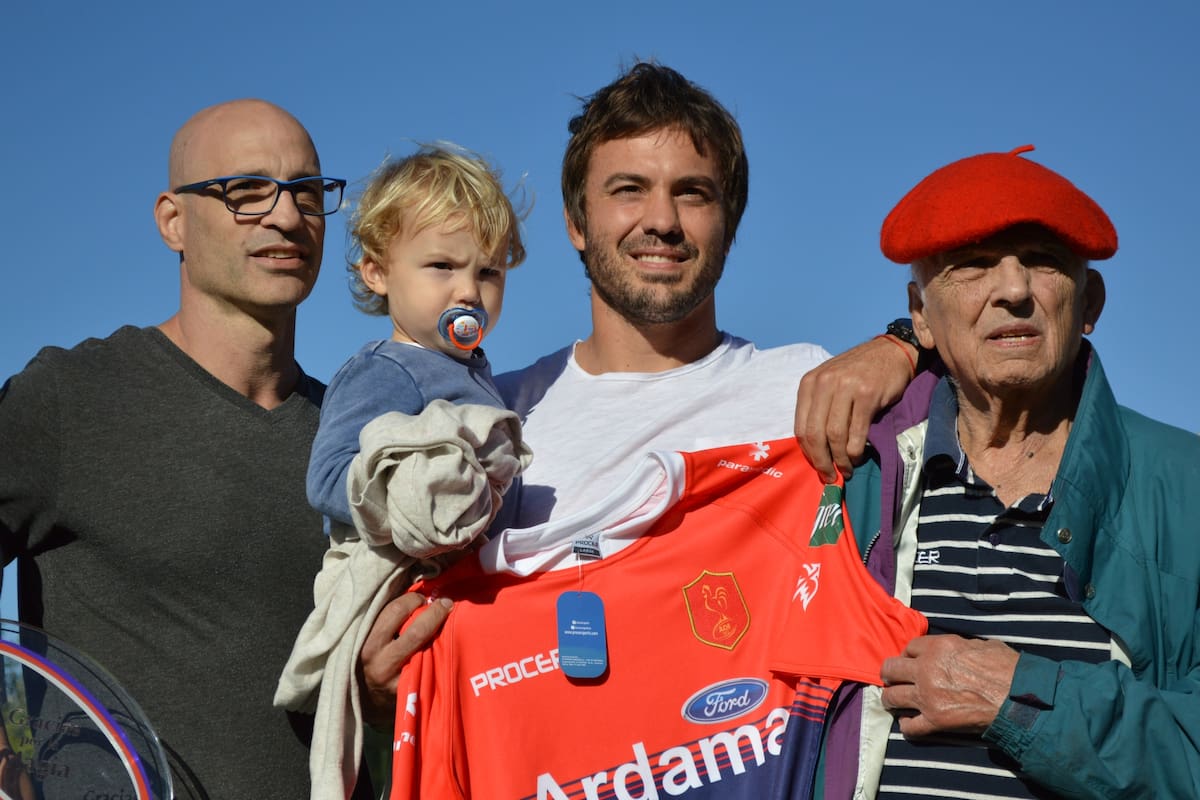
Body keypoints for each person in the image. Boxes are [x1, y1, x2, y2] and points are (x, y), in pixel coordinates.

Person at [0, 98, 354, 799]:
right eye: (246, 193)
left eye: (307, 193)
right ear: (173, 222)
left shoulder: (352, 440)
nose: (286, 217)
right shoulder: (71, 398)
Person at [822, 146, 1200, 798]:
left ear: (1089, 302)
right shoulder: (852, 475)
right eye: (972, 266)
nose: (1015, 290)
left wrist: (1024, 701)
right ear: (920, 317)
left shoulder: (1184, 487)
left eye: (1043, 261)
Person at [276, 145, 532, 799]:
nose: (468, 291)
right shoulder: (386, 369)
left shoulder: (477, 375)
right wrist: (418, 495)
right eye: (441, 266)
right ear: (378, 271)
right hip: (410, 589)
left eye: (488, 272)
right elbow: (330, 475)